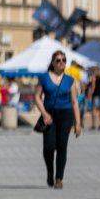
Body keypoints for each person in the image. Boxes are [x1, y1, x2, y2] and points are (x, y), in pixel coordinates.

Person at [33, 50, 81, 190]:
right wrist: (44, 113)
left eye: (64, 60)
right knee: (49, 147)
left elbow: (74, 102)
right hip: (49, 115)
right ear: (53, 63)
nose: (61, 63)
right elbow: (37, 97)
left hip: (66, 115)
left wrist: (78, 123)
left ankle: (59, 178)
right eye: (58, 60)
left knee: (62, 146)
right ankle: (50, 171)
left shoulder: (70, 80)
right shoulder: (44, 78)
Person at [86, 66, 100, 130]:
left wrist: (90, 94)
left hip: (96, 95)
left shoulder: (94, 77)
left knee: (94, 109)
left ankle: (93, 124)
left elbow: (93, 87)